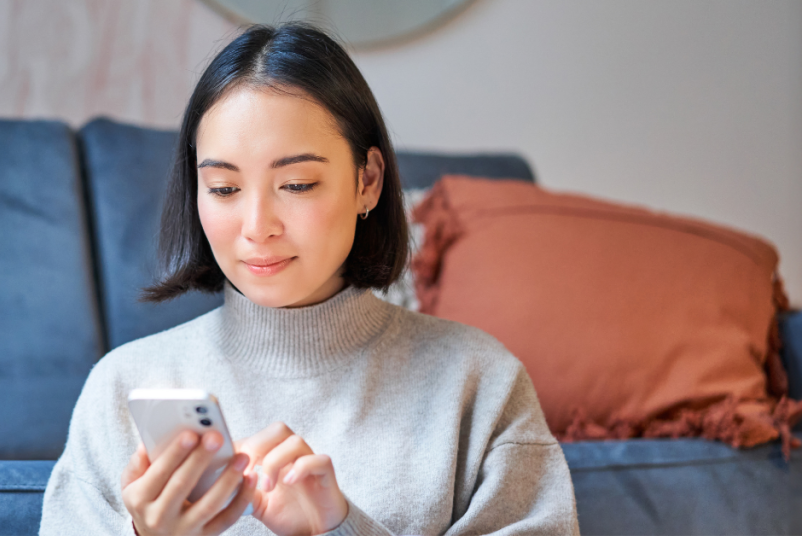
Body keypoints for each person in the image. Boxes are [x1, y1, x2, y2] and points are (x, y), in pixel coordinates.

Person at [40, 22, 579, 536]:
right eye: (225, 189)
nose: (257, 229)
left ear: (367, 182)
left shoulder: (479, 385)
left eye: (296, 184)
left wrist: (339, 527)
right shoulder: (124, 386)